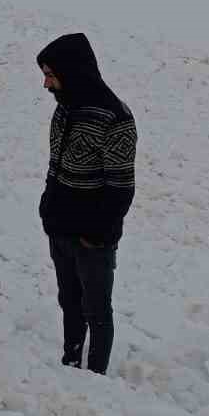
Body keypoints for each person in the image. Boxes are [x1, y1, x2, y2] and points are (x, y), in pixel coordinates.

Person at [37, 33, 137, 373]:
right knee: (69, 303)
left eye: (51, 74)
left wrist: (96, 234)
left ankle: (96, 378)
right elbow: (55, 167)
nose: (46, 83)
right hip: (60, 229)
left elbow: (120, 190)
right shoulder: (64, 110)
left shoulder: (115, 119)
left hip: (92, 240)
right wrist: (48, 209)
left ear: (72, 71)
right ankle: (70, 365)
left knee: (97, 311)